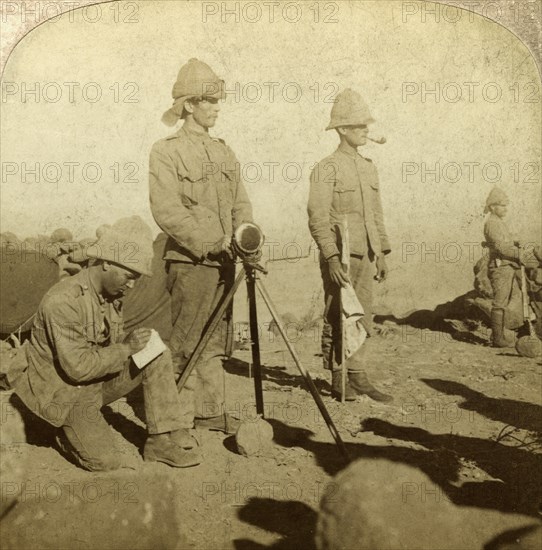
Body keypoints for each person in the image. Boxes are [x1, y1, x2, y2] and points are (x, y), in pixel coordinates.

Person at [14, 216, 201, 471]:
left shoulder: (110, 295)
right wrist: (126, 349)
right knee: (106, 462)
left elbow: (104, 347)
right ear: (105, 264)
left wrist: (133, 347)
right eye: (129, 275)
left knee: (155, 350)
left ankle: (161, 438)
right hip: (63, 395)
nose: (132, 284)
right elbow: (77, 368)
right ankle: (53, 429)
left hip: (93, 383)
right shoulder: (64, 300)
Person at [149, 59, 253, 439]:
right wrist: (209, 242)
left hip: (226, 262)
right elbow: (167, 210)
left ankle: (208, 413)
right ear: (189, 104)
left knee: (214, 341)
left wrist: (247, 234)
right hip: (192, 262)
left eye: (217, 101)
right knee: (184, 342)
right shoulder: (166, 151)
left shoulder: (224, 152)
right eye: (208, 101)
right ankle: (171, 424)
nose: (216, 107)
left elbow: (241, 202)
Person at [308, 88, 392, 403]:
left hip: (366, 256)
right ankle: (339, 377)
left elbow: (376, 214)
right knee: (337, 315)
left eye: (366, 125)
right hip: (340, 258)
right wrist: (330, 257)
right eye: (359, 126)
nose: (366, 130)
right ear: (342, 129)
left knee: (363, 316)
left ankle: (357, 375)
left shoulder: (369, 167)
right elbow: (317, 217)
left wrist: (381, 252)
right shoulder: (326, 168)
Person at [483, 187, 524, 347]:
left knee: (508, 301)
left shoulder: (498, 222)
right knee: (499, 302)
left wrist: (515, 241)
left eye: (506, 205)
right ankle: (497, 339)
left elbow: (505, 242)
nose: (505, 209)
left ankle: (502, 336)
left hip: (508, 265)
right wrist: (521, 254)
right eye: (502, 205)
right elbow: (501, 248)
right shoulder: (493, 223)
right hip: (501, 267)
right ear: (493, 207)